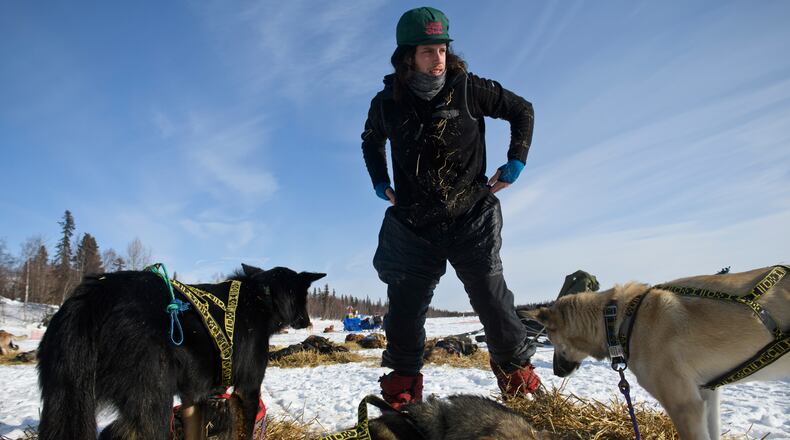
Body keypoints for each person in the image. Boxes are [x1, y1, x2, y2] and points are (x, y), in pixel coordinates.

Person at [361, 6, 541, 409]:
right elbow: (371, 141)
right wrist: (379, 182)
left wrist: (516, 160)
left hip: (470, 216)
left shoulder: (468, 88)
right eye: (428, 51)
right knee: (405, 314)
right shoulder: (386, 103)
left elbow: (521, 110)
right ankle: (403, 399)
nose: (438, 58)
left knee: (495, 304)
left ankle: (520, 388)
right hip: (413, 225)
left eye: (442, 48)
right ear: (408, 56)